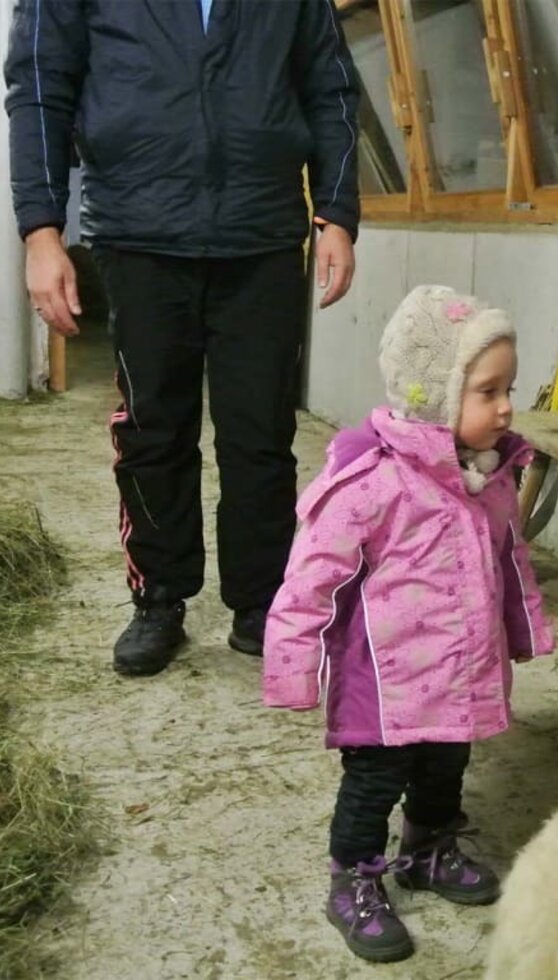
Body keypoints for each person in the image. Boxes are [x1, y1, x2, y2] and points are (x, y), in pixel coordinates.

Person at [4, 1, 361, 677]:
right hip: (137, 234)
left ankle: (261, 601)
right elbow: (42, 88)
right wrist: (40, 229)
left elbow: (331, 85)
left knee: (260, 431)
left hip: (260, 235)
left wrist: (337, 212)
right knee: (153, 428)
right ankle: (159, 599)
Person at [262, 285, 555, 964]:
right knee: (374, 781)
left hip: (463, 669)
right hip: (385, 683)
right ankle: (354, 878)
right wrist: (291, 665)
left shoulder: (492, 477)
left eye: (508, 387)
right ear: (436, 395)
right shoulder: (373, 482)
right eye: (488, 391)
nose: (507, 406)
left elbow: (510, 561)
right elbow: (312, 577)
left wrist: (524, 630)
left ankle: (428, 847)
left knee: (447, 764)